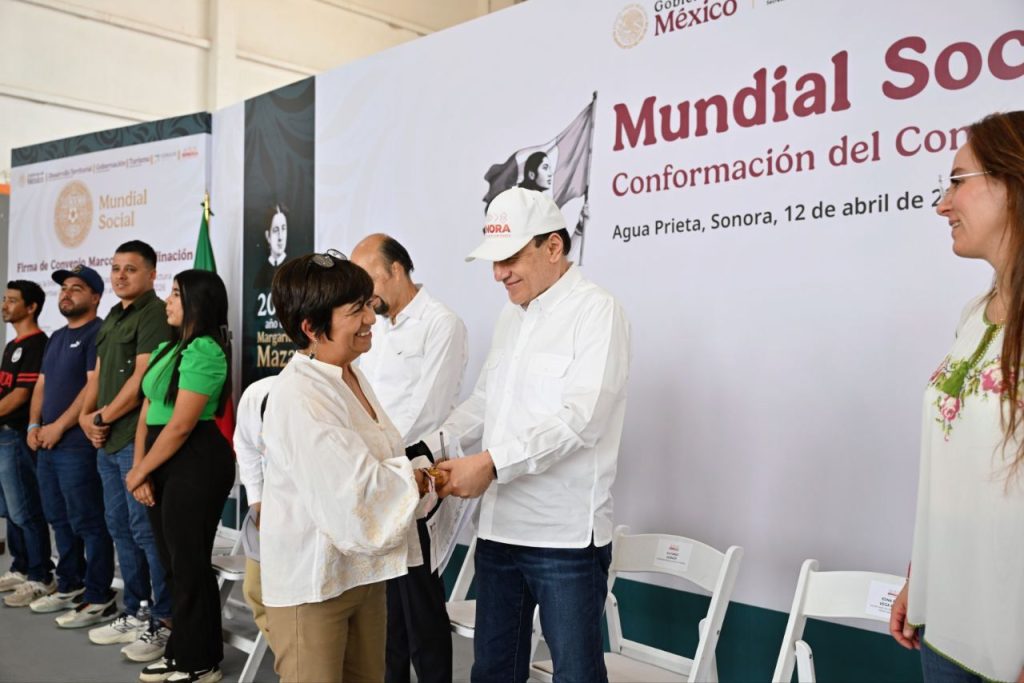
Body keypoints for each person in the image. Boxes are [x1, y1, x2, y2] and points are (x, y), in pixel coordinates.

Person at [436, 187, 631, 683]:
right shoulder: (512, 316)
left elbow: (581, 419)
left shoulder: (597, 311)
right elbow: (484, 402)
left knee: (576, 676)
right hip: (498, 532)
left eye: (510, 258)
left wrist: (490, 463)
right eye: (494, 261)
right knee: (493, 673)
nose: (498, 273)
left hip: (564, 538)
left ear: (553, 247)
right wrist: (426, 448)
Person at [889, 111, 1024, 683]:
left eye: (957, 182)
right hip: (945, 624)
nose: (943, 205)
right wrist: (920, 575)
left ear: (1012, 182)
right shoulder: (974, 316)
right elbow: (961, 465)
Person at [260, 251, 432, 683]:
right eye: (356, 310)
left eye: (368, 304)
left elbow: (379, 461)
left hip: (361, 575)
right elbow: (353, 489)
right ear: (311, 327)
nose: (371, 318)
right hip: (313, 585)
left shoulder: (349, 374)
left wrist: (421, 477)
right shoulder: (300, 395)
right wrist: (427, 480)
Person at [352, 234, 469, 683]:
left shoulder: (442, 323)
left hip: (414, 476)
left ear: (396, 269)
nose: (364, 294)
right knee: (386, 612)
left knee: (420, 606)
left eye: (369, 279)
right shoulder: (374, 328)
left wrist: (377, 459)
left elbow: (428, 411)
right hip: (376, 475)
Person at [126, 269, 235, 683]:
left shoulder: (206, 350)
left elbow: (181, 425)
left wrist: (141, 470)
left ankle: (200, 662)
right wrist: (141, 470)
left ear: (197, 303)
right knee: (172, 563)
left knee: (189, 564)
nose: (167, 301)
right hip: (161, 457)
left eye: (175, 294)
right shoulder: (165, 349)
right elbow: (147, 414)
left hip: (195, 460)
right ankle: (182, 651)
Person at [79, 240, 173, 661]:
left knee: (146, 533)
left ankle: (163, 619)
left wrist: (101, 418)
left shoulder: (154, 314)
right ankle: (135, 610)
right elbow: (98, 375)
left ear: (152, 274)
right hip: (106, 441)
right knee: (119, 528)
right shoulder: (113, 316)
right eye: (116, 268)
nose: (120, 276)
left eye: (130, 269)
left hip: (135, 441)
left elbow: (141, 381)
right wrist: (86, 416)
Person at [26, 265, 117, 627]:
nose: (66, 293)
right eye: (64, 288)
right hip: (48, 444)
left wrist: (59, 427)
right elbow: (42, 384)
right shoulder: (56, 337)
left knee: (88, 521)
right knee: (58, 519)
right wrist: (34, 424)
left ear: (95, 297)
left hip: (77, 445)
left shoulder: (99, 333)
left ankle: (98, 595)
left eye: (76, 288)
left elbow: (91, 387)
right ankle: (70, 584)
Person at [0, 280, 54, 607]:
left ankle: (40, 575)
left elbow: (21, 396)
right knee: (10, 509)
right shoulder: (12, 345)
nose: (4, 305)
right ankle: (20, 567)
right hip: (3, 434)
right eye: (4, 299)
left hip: (17, 436)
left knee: (25, 508)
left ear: (31, 307)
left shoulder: (37, 345)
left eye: (12, 300)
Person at [233, 374, 277, 638]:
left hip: (307, 508)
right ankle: (284, 652)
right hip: (267, 501)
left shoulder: (314, 410)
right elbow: (245, 446)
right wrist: (258, 503)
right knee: (254, 588)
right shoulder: (255, 395)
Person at [254, 205, 288, 290]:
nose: (280, 237)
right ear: (268, 236)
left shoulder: (293, 269)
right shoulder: (261, 274)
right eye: (276, 230)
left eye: (283, 229)